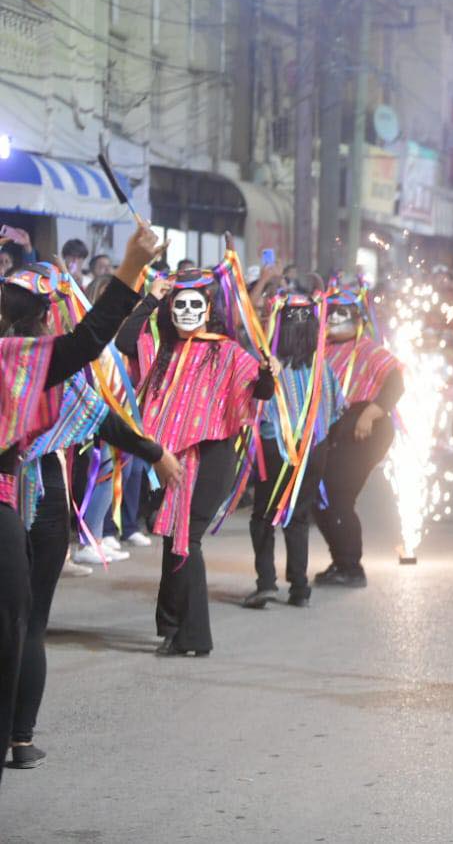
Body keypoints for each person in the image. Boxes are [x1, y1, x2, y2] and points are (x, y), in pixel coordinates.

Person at [0, 221, 161, 791]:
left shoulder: (33, 359)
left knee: (23, 623)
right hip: (25, 493)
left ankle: (17, 737)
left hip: (27, 491)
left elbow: (101, 408)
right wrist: (130, 268)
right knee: (26, 624)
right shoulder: (35, 360)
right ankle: (18, 738)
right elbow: (97, 378)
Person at [118, 267, 276, 657]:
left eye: (196, 305)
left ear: (208, 310)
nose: (188, 312)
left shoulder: (226, 350)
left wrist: (269, 374)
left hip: (211, 456)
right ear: (170, 310)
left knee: (187, 539)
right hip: (170, 458)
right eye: (180, 304)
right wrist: (151, 297)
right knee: (174, 540)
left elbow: (261, 390)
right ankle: (171, 627)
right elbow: (124, 339)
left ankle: (194, 637)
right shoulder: (161, 349)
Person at [243, 292, 343, 610]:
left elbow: (252, 406)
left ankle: (266, 583)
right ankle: (299, 588)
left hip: (275, 449)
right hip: (315, 449)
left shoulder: (267, 366)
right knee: (298, 517)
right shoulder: (322, 368)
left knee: (264, 515)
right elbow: (337, 408)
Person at [314, 288, 403, 588]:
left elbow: (396, 383)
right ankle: (341, 561)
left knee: (339, 496)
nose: (335, 320)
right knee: (322, 498)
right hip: (335, 428)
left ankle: (351, 567)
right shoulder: (322, 348)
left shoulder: (368, 350)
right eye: (331, 314)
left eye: (343, 314)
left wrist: (371, 414)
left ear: (357, 320)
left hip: (364, 426)